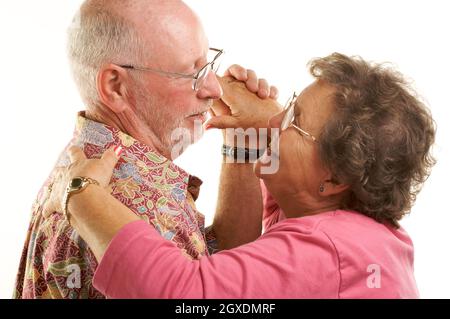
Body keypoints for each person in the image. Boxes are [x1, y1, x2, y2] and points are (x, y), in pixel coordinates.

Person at [43, 52, 436, 299]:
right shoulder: (340, 224)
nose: (276, 117)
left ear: (335, 179)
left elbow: (179, 295)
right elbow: (240, 274)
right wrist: (246, 136)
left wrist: (82, 193)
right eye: (293, 102)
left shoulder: (329, 252)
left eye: (295, 120)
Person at [14, 0, 279, 298]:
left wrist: (243, 138)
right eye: (191, 73)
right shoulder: (133, 207)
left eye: (207, 63)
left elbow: (213, 271)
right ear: (115, 86)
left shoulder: (89, 154)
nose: (214, 89)